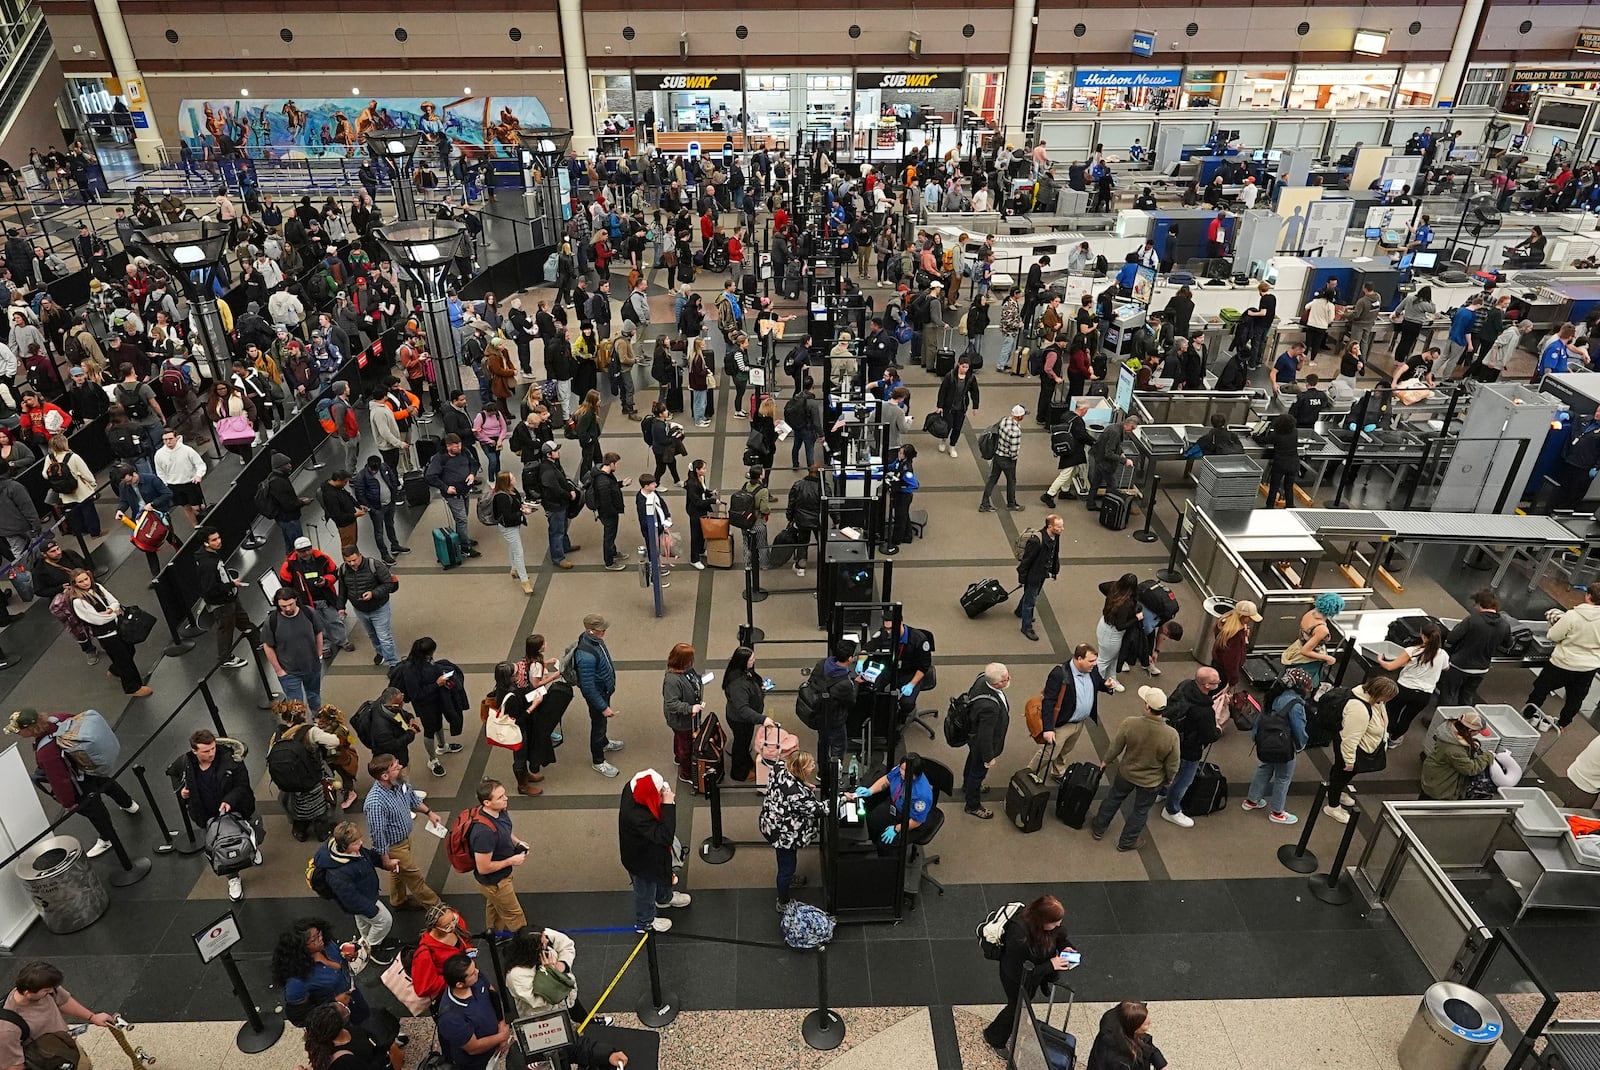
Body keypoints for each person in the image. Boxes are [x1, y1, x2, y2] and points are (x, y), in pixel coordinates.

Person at [6, 707, 139, 859]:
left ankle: (107, 838)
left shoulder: (46, 752)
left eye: (18, 730)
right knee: (106, 783)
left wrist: (68, 803)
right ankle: (129, 804)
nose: (17, 733)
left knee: (95, 811)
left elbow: (60, 780)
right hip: (90, 765)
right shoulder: (58, 717)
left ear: (29, 729)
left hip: (80, 782)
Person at [980, 895, 1074, 1054]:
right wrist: (1051, 965)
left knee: (1023, 1002)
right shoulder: (1018, 936)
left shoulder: (1042, 924)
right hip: (1014, 977)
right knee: (1015, 1006)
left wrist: (1066, 948)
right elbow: (1021, 973)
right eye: (1055, 921)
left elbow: (1059, 936)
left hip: (1036, 969)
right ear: (1042, 920)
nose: (1059, 924)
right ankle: (994, 1037)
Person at [1089, 686, 1178, 851]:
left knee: (1114, 798)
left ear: (1146, 706)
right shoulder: (1171, 735)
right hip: (1151, 781)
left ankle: (1098, 828)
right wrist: (1169, 778)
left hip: (1127, 773)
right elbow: (1173, 763)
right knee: (1141, 810)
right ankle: (1127, 842)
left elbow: (1116, 746)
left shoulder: (1130, 723)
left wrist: (1105, 761)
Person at [181, 728, 257, 901]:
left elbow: (242, 784)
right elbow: (184, 782)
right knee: (223, 847)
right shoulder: (187, 763)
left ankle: (252, 847)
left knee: (248, 829)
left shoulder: (231, 760)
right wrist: (184, 793)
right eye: (206, 751)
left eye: (213, 748)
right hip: (207, 814)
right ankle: (233, 878)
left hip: (236, 809)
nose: (211, 753)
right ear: (195, 751)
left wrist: (230, 800)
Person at [0, 961, 119, 1070]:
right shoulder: (8, 1028)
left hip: (66, 1046)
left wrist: (93, 1017)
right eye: (46, 991)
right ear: (28, 993)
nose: (51, 991)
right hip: (46, 1063)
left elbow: (64, 1001)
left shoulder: (44, 987)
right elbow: (14, 1065)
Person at [362, 754, 445, 910]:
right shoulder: (375, 802)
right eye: (395, 766)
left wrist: (429, 813)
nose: (400, 767)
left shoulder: (400, 782)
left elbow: (412, 800)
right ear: (385, 776)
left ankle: (398, 900)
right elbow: (378, 835)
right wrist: (385, 860)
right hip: (393, 848)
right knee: (415, 878)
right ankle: (437, 908)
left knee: (398, 871)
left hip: (404, 839)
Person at [619, 769, 691, 933]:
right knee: (645, 890)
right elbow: (665, 836)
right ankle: (645, 921)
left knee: (660, 875)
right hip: (641, 861)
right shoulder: (637, 816)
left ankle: (664, 898)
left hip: (654, 855)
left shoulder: (631, 790)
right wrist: (668, 805)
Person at [1239, 668, 1313, 824]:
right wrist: (1300, 745)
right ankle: (1277, 812)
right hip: (1284, 746)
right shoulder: (1296, 704)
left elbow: (1262, 716)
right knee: (1283, 778)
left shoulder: (1274, 696)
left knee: (1264, 769)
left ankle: (1252, 800)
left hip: (1266, 741)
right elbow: (1299, 729)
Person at [1156, 667, 1225, 829]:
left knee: (1167, 770)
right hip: (1190, 750)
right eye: (1216, 682)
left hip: (1172, 740)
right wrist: (1219, 728)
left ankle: (1160, 792)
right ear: (1207, 685)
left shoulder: (1184, 686)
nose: (1218, 684)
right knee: (1183, 780)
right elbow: (1210, 735)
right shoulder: (1204, 711)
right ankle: (1172, 809)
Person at [389, 637, 468, 776]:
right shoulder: (410, 670)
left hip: (436, 700)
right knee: (430, 729)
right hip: (425, 705)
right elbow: (416, 695)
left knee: (438, 723)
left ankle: (442, 746)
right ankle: (432, 759)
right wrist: (437, 684)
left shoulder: (423, 661)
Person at [1524, 587, 1600, 731]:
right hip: (1588, 668)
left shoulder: (1572, 615)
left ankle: (1529, 714)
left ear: (1588, 596)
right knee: (1575, 699)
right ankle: (1562, 724)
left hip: (1562, 663)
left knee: (1541, 689)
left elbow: (1553, 636)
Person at [758, 749, 826, 911]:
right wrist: (843, 799)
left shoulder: (780, 768)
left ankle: (788, 878)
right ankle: (783, 902)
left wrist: (803, 783)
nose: (814, 766)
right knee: (786, 866)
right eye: (810, 765)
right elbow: (819, 810)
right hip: (784, 835)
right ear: (801, 769)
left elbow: (790, 783)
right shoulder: (796, 794)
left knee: (786, 861)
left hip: (771, 823)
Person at [1324, 676, 1397, 825]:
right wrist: (1349, 761)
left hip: (1360, 748)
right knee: (1341, 774)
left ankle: (1334, 792)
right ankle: (1332, 806)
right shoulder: (1359, 709)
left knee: (1342, 776)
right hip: (1352, 750)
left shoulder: (1376, 702)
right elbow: (1349, 738)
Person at [68, 569, 152, 696]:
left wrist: (110, 611)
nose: (85, 583)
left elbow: (114, 602)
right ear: (75, 584)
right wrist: (113, 613)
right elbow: (97, 619)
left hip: (118, 628)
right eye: (81, 581)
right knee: (124, 660)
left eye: (86, 579)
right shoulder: (78, 601)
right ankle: (133, 687)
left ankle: (115, 670)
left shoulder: (98, 588)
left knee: (130, 651)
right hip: (106, 635)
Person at [1038, 644, 1115, 780]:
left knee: (1066, 750)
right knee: (1048, 754)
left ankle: (1057, 772)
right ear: (1079, 659)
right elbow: (1048, 701)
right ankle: (1028, 775)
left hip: (1079, 722)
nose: (1095, 664)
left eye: (1095, 660)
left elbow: (1098, 683)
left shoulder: (1092, 669)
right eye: (1091, 661)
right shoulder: (1060, 673)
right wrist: (1048, 729)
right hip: (1063, 724)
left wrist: (1106, 686)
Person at [504, 926, 607, 1023]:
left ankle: (588, 1023)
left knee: (578, 1013)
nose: (548, 941)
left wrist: (563, 964)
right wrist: (550, 974)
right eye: (544, 942)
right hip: (544, 1015)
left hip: (566, 995)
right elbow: (538, 1002)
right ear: (533, 949)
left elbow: (565, 944)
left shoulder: (540, 937)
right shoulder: (516, 975)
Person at [467, 778, 530, 935]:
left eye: (504, 794)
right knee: (514, 914)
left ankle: (494, 934)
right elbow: (483, 867)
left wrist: (516, 842)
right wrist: (511, 860)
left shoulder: (499, 812)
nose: (506, 798)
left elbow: (506, 830)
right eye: (500, 797)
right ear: (487, 803)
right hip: (495, 882)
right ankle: (527, 947)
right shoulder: (483, 833)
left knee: (495, 906)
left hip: (497, 881)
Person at [1377, 623, 1449, 746]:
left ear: (1423, 636)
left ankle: (1385, 734)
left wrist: (1380, 659)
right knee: (1407, 718)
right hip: (1424, 694)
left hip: (1404, 688)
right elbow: (1446, 668)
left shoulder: (1412, 651)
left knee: (1392, 711)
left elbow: (1390, 667)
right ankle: (1395, 739)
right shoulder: (1443, 654)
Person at [436, 953, 509, 1070]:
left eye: (475, 967)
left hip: (494, 1050)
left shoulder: (476, 978)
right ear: (459, 984)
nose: (477, 972)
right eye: (472, 973)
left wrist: (501, 1023)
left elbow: (493, 994)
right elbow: (474, 1047)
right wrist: (502, 1036)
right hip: (475, 1063)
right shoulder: (451, 1017)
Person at [574, 614, 627, 777]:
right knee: (598, 726)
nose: (604, 631)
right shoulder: (586, 657)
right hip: (598, 695)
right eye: (600, 629)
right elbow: (588, 688)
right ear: (590, 631)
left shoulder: (595, 641)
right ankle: (598, 761)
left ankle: (604, 742)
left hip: (603, 691)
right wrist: (603, 707)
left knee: (601, 723)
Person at [1440, 588, 1511, 707]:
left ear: (1479, 604)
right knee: (1467, 696)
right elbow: (1507, 644)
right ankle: (1463, 722)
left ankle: (1441, 720)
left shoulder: (1472, 620)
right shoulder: (1504, 625)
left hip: (1459, 665)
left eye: (1475, 604)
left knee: (1449, 694)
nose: (1474, 607)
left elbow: (1452, 637)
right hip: (1482, 668)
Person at [961, 664, 1012, 820]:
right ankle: (972, 805)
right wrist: (988, 757)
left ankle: (967, 786)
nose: (1009, 679)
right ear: (996, 684)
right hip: (982, 745)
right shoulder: (989, 707)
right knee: (978, 772)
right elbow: (986, 735)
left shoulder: (982, 679)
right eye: (1005, 679)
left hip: (973, 736)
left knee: (972, 762)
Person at [854, 752, 934, 850]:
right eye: (902, 769)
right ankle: (871, 848)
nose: (902, 772)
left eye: (906, 771)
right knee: (871, 821)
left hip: (911, 819)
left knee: (884, 843)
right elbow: (886, 780)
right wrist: (870, 790)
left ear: (915, 773)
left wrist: (897, 829)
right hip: (895, 806)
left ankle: (888, 860)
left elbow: (917, 821)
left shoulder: (922, 795)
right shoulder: (901, 770)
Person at [337, 546, 400, 669]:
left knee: (384, 637)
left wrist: (373, 593)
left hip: (379, 608)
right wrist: (341, 607)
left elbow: (388, 584)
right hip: (360, 609)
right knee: (372, 634)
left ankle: (393, 663)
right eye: (348, 561)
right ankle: (380, 652)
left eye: (354, 560)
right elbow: (342, 589)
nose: (351, 564)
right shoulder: (343, 569)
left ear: (360, 555)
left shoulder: (375, 565)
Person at [264, 587, 325, 711]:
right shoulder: (272, 621)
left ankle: (318, 722)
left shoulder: (309, 613)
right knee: (295, 706)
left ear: (296, 600)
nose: (287, 609)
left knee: (315, 698)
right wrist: (279, 671)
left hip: (312, 667)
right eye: (283, 606)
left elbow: (318, 633)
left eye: (290, 604)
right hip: (289, 672)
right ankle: (300, 728)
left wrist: (319, 655)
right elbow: (268, 646)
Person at [1421, 710, 1496, 801]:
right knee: (1430, 808)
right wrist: (1488, 756)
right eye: (1477, 732)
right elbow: (1470, 768)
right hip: (1441, 786)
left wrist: (1472, 743)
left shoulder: (1449, 730)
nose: (1477, 734)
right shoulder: (1455, 750)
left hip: (1434, 775)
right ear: (1469, 730)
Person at [410, 905, 475, 1003]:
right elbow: (424, 987)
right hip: (452, 990)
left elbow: (465, 937)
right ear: (434, 927)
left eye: (453, 920)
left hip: (466, 976)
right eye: (447, 926)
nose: (453, 926)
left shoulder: (454, 921)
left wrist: (468, 948)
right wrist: (455, 978)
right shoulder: (425, 953)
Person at [351, 455, 407, 565]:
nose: (374, 472)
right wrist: (371, 509)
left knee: (390, 525)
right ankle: (384, 555)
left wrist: (394, 496)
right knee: (379, 532)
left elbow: (393, 480)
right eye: (372, 470)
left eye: (376, 469)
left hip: (389, 503)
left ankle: (395, 545)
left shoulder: (384, 467)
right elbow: (360, 495)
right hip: (376, 509)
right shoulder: (361, 476)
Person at [662, 642, 705, 785]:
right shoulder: (672, 680)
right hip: (682, 720)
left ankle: (678, 758)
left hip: (687, 718)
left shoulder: (686, 670)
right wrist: (690, 708)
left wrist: (700, 681)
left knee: (680, 740)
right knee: (686, 746)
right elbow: (671, 704)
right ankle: (686, 773)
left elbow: (693, 679)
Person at [1015, 514, 1062, 642]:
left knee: (1031, 594)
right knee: (1031, 601)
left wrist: (1054, 570)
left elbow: (1054, 554)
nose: (1062, 529)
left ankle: (1020, 611)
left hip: (1042, 572)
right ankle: (1026, 627)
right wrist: (1022, 578)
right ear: (1050, 526)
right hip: (1033, 575)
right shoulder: (1036, 541)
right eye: (1059, 526)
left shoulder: (1055, 536)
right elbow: (1026, 561)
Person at [723, 646, 767, 782]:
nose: (754, 661)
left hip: (745, 719)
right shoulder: (738, 684)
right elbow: (743, 709)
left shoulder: (743, 672)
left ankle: (746, 763)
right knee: (740, 744)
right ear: (743, 661)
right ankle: (738, 772)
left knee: (744, 742)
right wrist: (762, 719)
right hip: (740, 720)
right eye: (751, 659)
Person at [1085, 1001, 1168, 1070]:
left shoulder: (1123, 1025)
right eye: (1146, 1025)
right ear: (1134, 1028)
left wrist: (1160, 1063)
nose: (1150, 1024)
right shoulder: (1119, 1061)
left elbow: (1147, 1046)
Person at [1280, 592, 1343, 682]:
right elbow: (1305, 651)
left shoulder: (1310, 613)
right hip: (1306, 660)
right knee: (1306, 682)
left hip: (1297, 646)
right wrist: (1328, 658)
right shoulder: (1322, 629)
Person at [1094, 574, 1141, 693]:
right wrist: (1136, 618)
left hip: (1104, 626)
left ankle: (1111, 680)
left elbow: (1101, 586)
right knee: (1104, 661)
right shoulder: (1127, 603)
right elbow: (1120, 626)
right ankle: (1095, 682)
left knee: (1112, 658)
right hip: (1113, 635)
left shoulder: (1114, 589)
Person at [978, 405, 1026, 513]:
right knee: (1011, 480)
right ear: (1019, 417)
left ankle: (984, 503)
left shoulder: (1004, 420)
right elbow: (1013, 451)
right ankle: (1011, 503)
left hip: (997, 455)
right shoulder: (1016, 431)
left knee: (992, 479)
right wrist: (1013, 459)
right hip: (1007, 460)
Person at [1087, 415, 1137, 512]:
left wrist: (1120, 452)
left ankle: (1090, 503)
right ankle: (1109, 507)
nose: (1131, 431)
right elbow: (1109, 453)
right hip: (1105, 463)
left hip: (1098, 458)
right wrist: (1125, 461)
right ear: (1127, 425)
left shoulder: (1114, 427)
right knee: (1112, 485)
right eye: (1131, 428)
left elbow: (1112, 445)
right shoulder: (1116, 433)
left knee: (1096, 482)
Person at [1210, 599, 1260, 695]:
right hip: (1224, 672)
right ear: (1243, 616)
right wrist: (1233, 679)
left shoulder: (1224, 623)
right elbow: (1232, 660)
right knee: (1216, 694)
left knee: (1212, 688)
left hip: (1217, 663)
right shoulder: (1236, 636)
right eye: (1249, 618)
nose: (1250, 621)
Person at [934, 356, 980, 458]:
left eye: (967, 367)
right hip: (949, 407)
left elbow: (975, 392)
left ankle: (952, 445)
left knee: (957, 428)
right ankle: (943, 440)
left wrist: (975, 406)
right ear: (959, 365)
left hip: (961, 407)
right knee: (947, 425)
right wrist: (940, 405)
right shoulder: (950, 376)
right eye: (963, 367)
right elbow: (943, 391)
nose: (965, 369)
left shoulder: (971, 378)